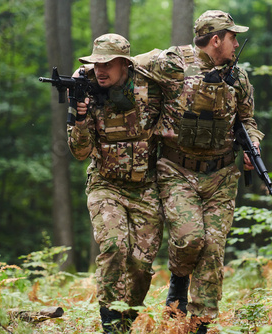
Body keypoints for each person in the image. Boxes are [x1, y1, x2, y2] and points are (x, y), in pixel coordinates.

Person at [138, 10, 263, 333]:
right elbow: (128, 65)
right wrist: (90, 71)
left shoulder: (239, 77)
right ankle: (178, 280)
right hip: (177, 170)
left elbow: (248, 120)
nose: (236, 43)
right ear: (216, 39)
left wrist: (254, 146)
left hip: (221, 176)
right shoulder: (172, 63)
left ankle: (200, 323)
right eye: (232, 37)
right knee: (189, 239)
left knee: (212, 248)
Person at [67, 33, 163, 333]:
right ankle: (110, 324)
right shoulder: (85, 91)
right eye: (96, 64)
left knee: (140, 265)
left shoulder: (150, 85)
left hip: (146, 187)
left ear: (125, 63)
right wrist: (81, 118)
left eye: (108, 64)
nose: (100, 70)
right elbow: (80, 152)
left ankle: (125, 320)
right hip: (105, 184)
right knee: (113, 248)